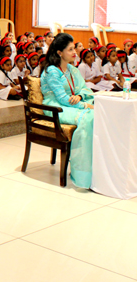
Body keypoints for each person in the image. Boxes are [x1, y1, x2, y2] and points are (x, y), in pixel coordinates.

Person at [41, 33, 94, 188]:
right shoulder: (52, 71)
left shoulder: (71, 69)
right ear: (59, 52)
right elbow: (63, 99)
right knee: (88, 117)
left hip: (71, 103)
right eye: (70, 49)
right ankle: (82, 173)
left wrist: (79, 96)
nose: (74, 52)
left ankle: (96, 168)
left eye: (74, 48)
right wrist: (84, 105)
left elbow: (84, 89)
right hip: (55, 107)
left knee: (98, 115)